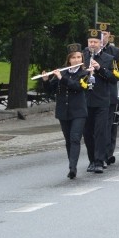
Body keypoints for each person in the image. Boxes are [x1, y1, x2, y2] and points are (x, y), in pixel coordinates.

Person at [43, 44, 89, 179]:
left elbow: (78, 87)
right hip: (64, 111)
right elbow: (50, 91)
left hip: (79, 112)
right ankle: (71, 163)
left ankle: (73, 167)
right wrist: (46, 80)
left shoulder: (85, 73)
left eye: (79, 57)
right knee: (68, 140)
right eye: (73, 57)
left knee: (75, 138)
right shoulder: (62, 72)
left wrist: (61, 79)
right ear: (69, 60)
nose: (76, 60)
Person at [83, 28, 118, 173]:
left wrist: (100, 69)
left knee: (100, 131)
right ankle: (92, 159)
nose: (92, 44)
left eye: (95, 42)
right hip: (85, 101)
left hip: (102, 100)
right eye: (90, 42)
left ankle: (99, 160)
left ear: (100, 43)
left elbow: (114, 77)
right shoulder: (82, 57)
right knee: (87, 132)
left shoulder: (108, 59)